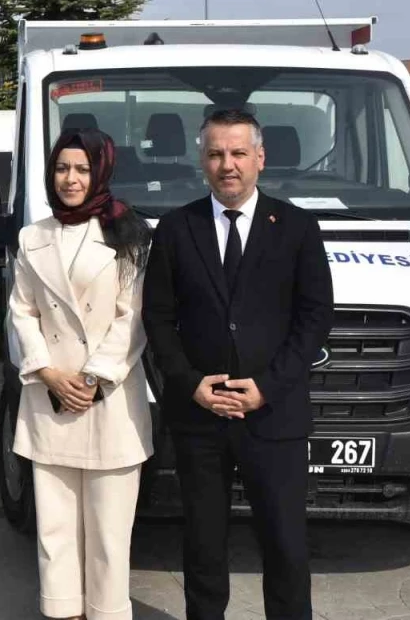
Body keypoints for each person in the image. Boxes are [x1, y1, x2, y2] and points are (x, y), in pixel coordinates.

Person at [142, 109, 334, 620]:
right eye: (216, 154)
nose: (228, 165)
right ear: (202, 161)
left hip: (274, 415)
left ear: (260, 158)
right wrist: (189, 384)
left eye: (238, 153)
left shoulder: (296, 227)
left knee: (285, 544)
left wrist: (267, 387)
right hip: (199, 417)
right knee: (203, 544)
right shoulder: (176, 228)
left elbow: (315, 317)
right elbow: (157, 319)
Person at [8, 127, 153, 620]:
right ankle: (62, 612)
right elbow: (22, 311)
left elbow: (132, 318)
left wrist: (92, 380)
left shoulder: (127, 232)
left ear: (101, 172)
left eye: (83, 169)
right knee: (55, 532)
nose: (70, 179)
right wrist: (47, 372)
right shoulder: (32, 236)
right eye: (62, 168)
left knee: (110, 534)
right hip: (49, 399)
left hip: (110, 402)